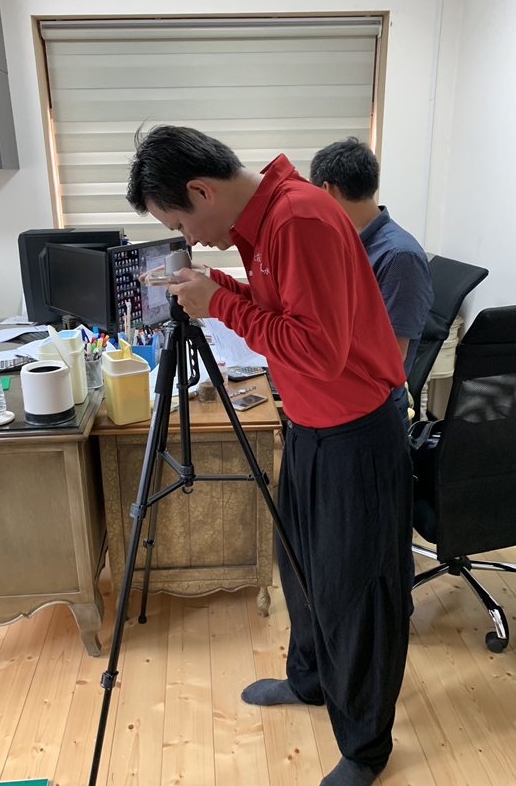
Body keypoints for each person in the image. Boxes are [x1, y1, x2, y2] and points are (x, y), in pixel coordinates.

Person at [127, 125, 413, 786]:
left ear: (201, 190)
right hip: (311, 425)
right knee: (302, 566)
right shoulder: (266, 224)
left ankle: (366, 747)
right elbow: (281, 308)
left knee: (356, 592)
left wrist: (220, 304)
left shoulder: (299, 219)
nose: (189, 237)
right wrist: (219, 285)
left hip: (356, 434)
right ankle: (311, 681)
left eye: (180, 223)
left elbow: (319, 351)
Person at [310, 137, 434, 425]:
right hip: (338, 391)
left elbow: (392, 357)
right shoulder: (342, 241)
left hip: (372, 410)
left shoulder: (400, 256)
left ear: (327, 189)